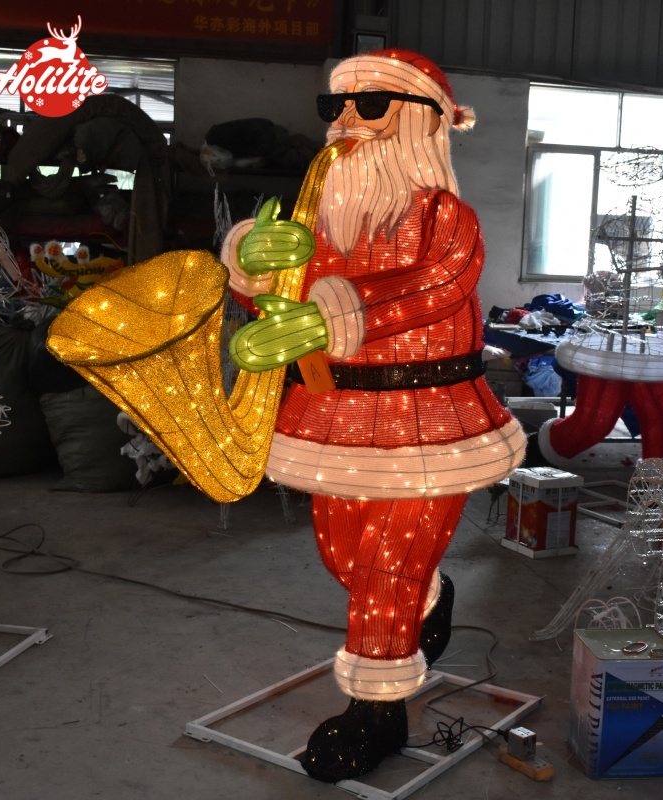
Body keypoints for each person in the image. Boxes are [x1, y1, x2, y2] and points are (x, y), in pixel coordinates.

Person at [220, 49, 526, 783]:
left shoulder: (446, 216)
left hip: (429, 416)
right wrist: (255, 273)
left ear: (421, 121)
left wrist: (332, 319)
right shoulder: (319, 222)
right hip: (336, 415)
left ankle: (375, 708)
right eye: (336, 108)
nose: (347, 123)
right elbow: (280, 308)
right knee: (346, 557)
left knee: (385, 568)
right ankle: (432, 593)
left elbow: (436, 288)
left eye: (370, 106)